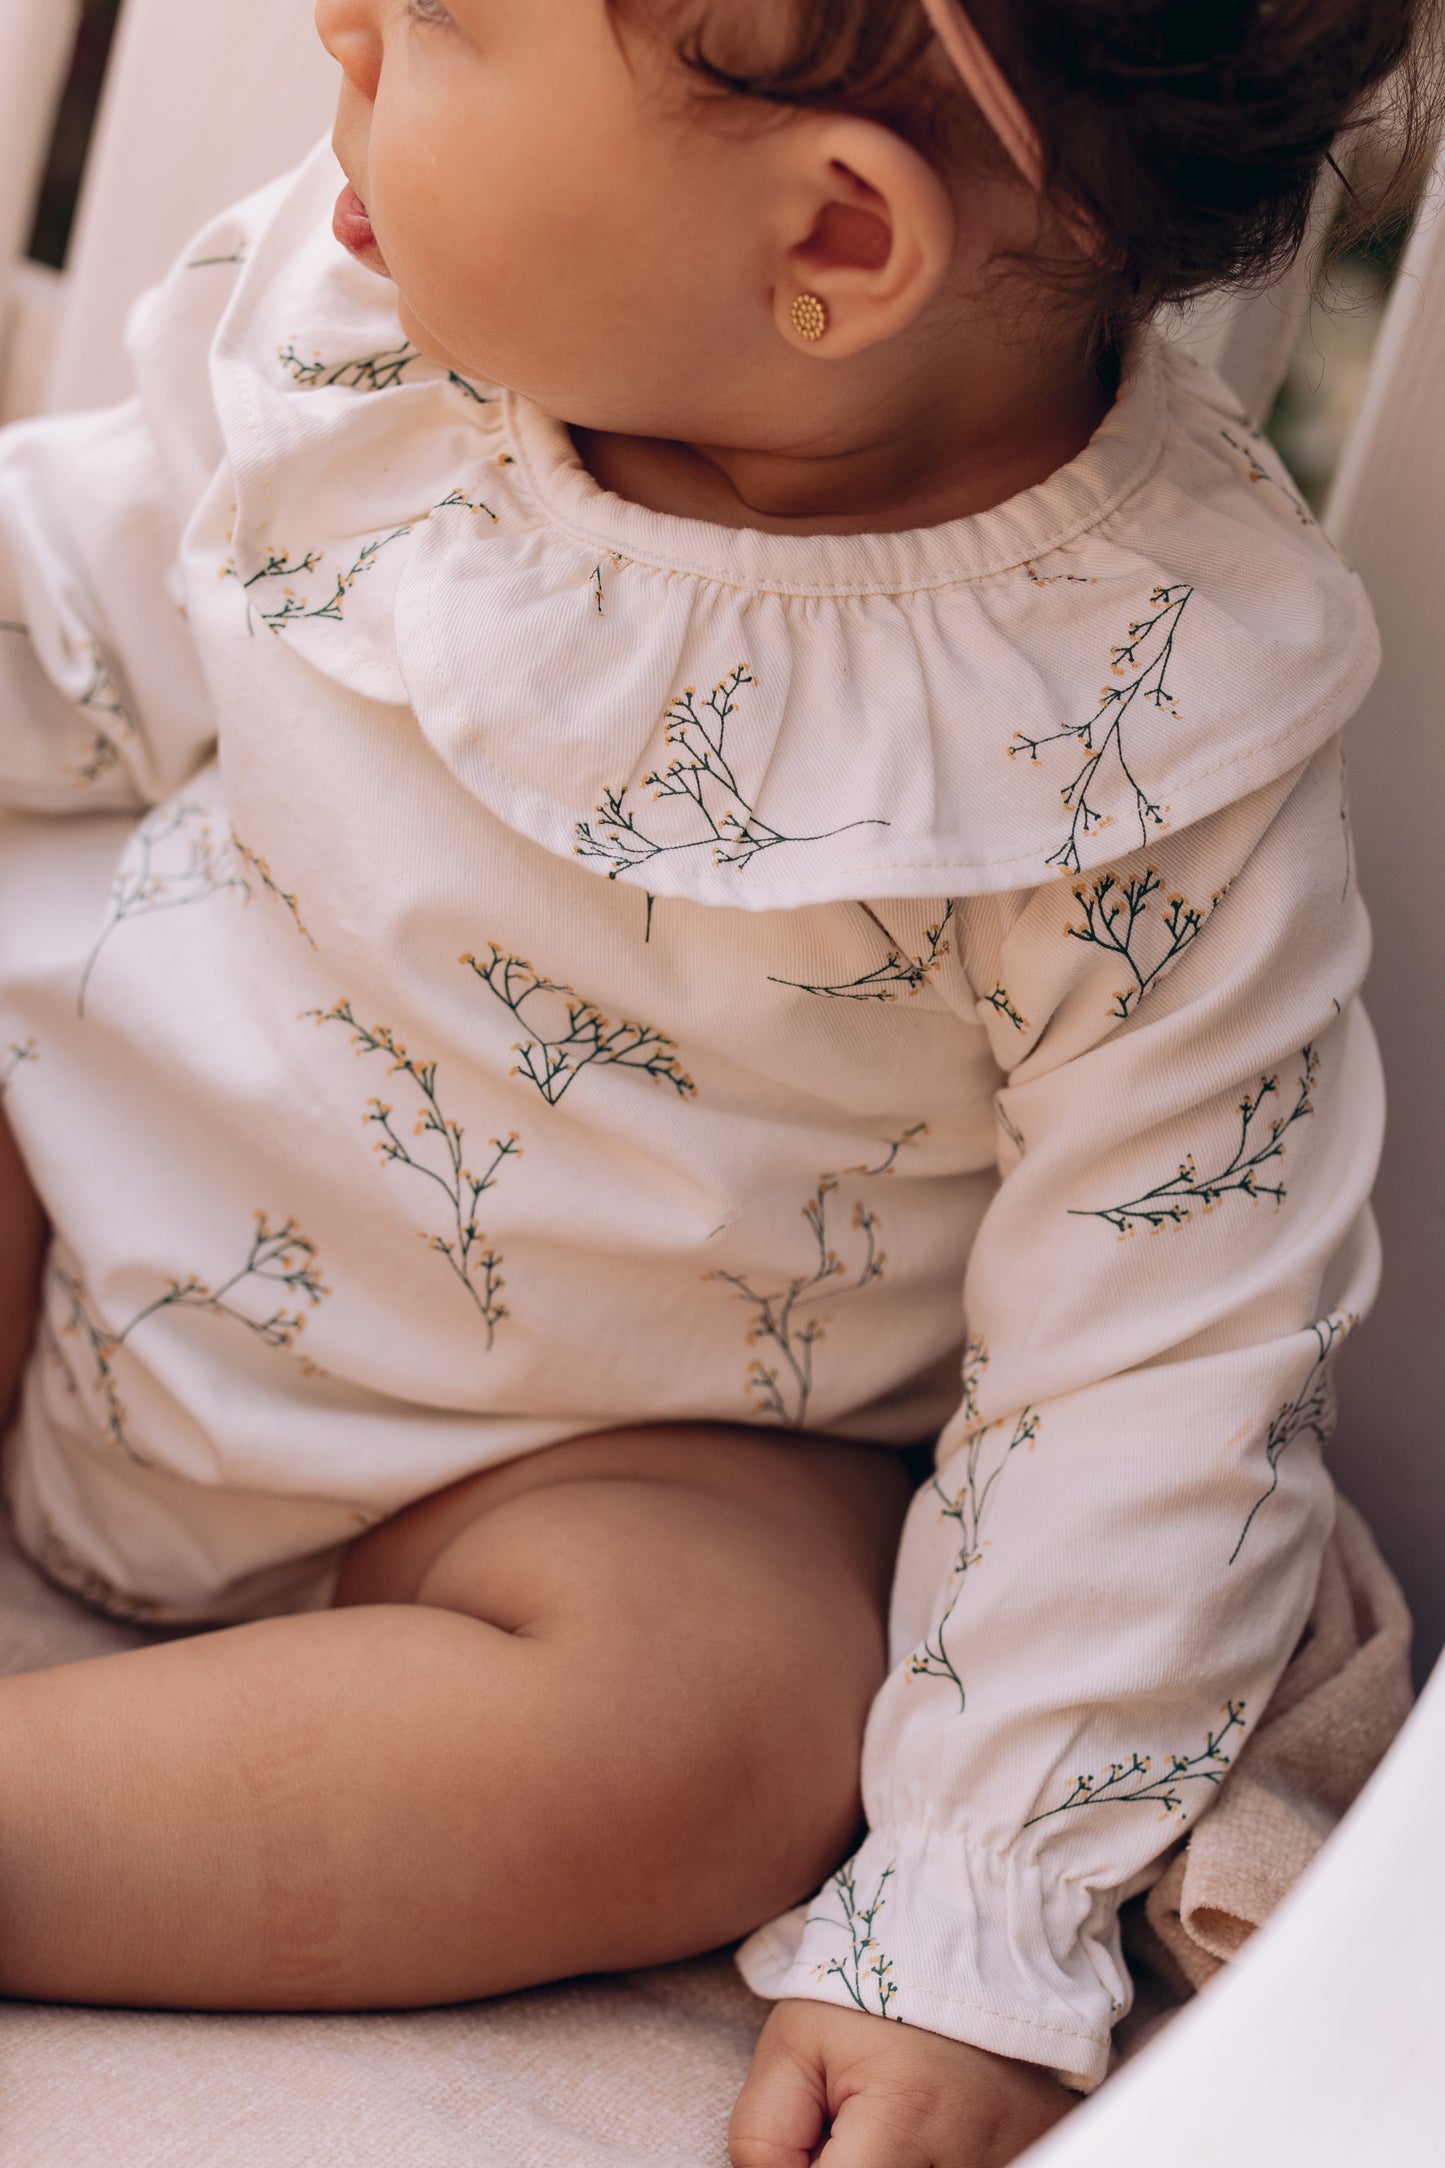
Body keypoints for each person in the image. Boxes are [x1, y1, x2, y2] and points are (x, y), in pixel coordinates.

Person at [0, 3, 1435, 2161]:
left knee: (737, 1714)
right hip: (94, 1184)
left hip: (578, 1472)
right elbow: (76, 621)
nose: (340, 30)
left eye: (444, 28)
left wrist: (975, 1918)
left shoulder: (1135, 728)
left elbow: (1164, 1355)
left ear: (835, 243)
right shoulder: (374, 313)